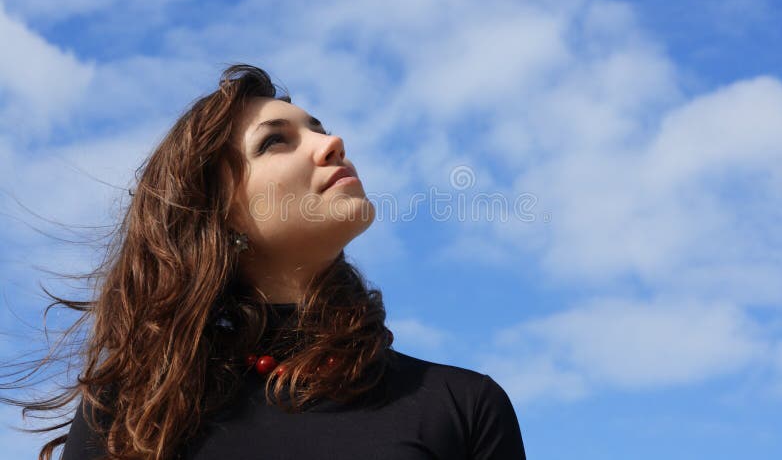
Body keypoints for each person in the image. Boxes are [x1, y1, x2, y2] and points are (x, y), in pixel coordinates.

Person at [9, 64, 526, 459]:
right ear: (217, 213)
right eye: (276, 141)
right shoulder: (128, 414)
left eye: (319, 128)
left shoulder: (464, 406)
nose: (332, 143)